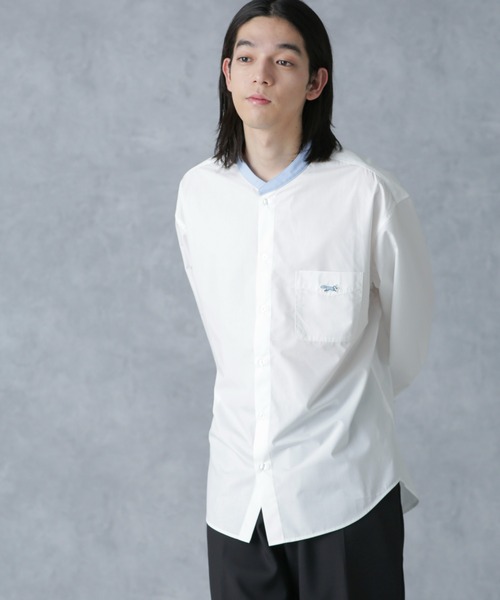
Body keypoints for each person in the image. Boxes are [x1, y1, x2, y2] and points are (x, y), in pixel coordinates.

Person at [175, 0, 434, 598]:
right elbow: (227, 335)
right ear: (227, 74)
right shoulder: (198, 194)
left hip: (345, 494)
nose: (261, 75)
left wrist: (344, 416)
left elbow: (407, 344)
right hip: (238, 497)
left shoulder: (367, 195)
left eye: (284, 61)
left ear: (316, 82)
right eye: (246, 58)